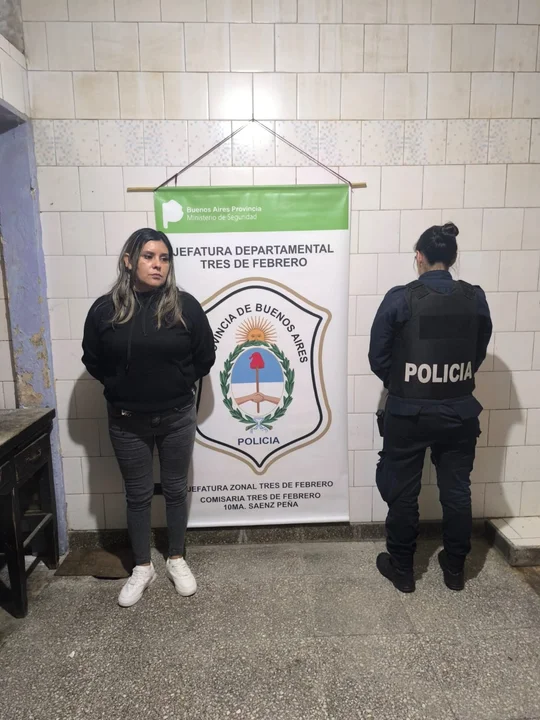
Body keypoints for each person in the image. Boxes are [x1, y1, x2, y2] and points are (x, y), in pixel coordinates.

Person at [82, 228, 215, 607]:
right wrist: (122, 386)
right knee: (137, 495)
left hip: (177, 417)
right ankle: (143, 566)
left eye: (164, 258)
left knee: (175, 489)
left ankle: (176, 557)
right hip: (126, 421)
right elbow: (92, 358)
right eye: (149, 257)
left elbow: (205, 356)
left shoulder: (185, 306)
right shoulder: (105, 310)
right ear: (129, 261)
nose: (158, 265)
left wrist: (176, 384)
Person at [369, 223, 492, 594]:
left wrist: (406, 384)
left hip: (409, 414)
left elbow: (378, 357)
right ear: (452, 258)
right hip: (459, 412)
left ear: (419, 257)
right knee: (457, 491)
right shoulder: (475, 298)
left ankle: (403, 571)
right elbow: (477, 352)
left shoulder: (401, 298)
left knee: (402, 491)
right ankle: (455, 569)